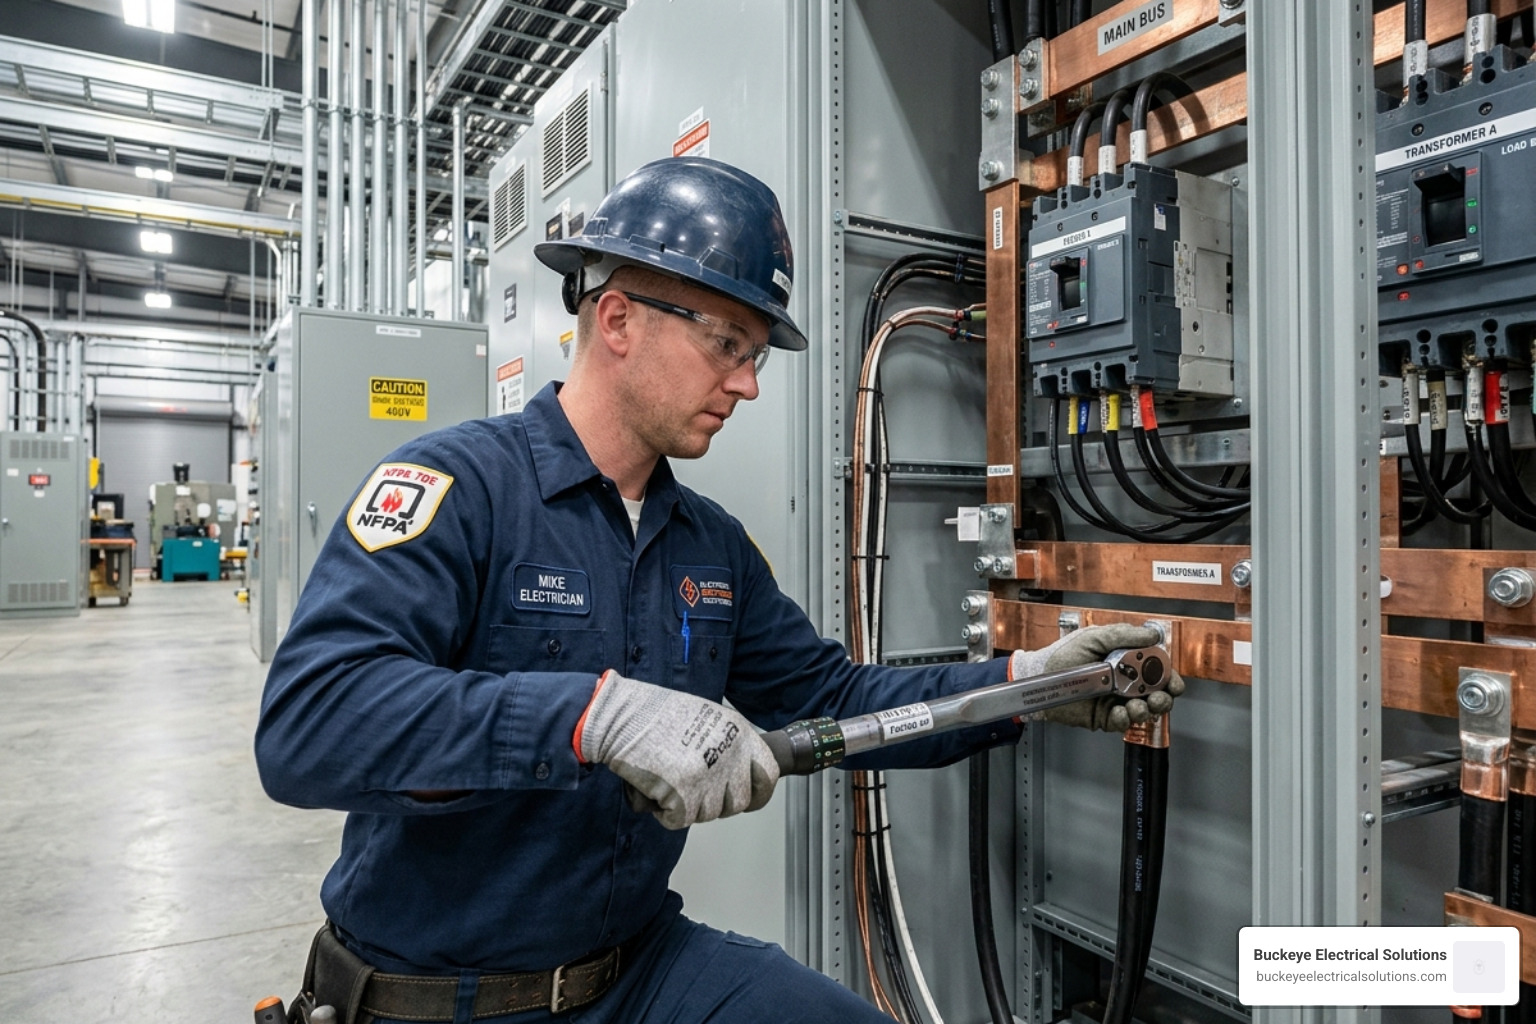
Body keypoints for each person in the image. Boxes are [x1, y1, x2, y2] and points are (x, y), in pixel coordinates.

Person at [254, 155, 1181, 1024]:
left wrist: (1031, 684)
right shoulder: (455, 489)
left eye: (756, 355)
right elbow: (309, 725)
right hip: (438, 994)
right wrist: (589, 718)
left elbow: (837, 698)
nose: (746, 384)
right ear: (616, 321)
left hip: (638, 969)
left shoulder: (709, 547)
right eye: (727, 343)